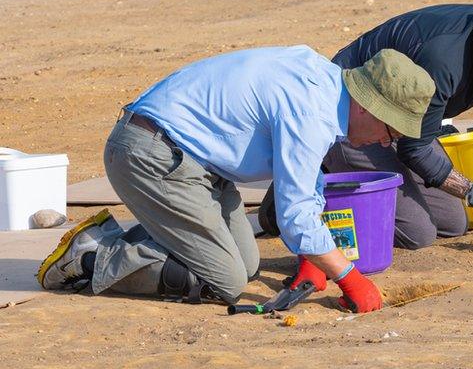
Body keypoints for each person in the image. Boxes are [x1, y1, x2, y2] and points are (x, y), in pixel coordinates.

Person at [37, 47, 435, 313]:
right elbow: (296, 215)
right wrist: (348, 275)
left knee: (247, 264)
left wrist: (315, 258)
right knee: (224, 280)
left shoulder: (323, 83)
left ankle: (126, 238)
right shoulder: (313, 112)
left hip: (195, 165)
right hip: (150, 153)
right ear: (368, 106)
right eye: (391, 130)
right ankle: (90, 258)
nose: (387, 141)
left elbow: (304, 178)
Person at [259, 0, 473, 250]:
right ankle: (301, 196)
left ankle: (325, 170)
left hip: (405, 127)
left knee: (452, 223)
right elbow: (415, 148)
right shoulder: (444, 60)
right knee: (417, 232)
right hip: (356, 120)